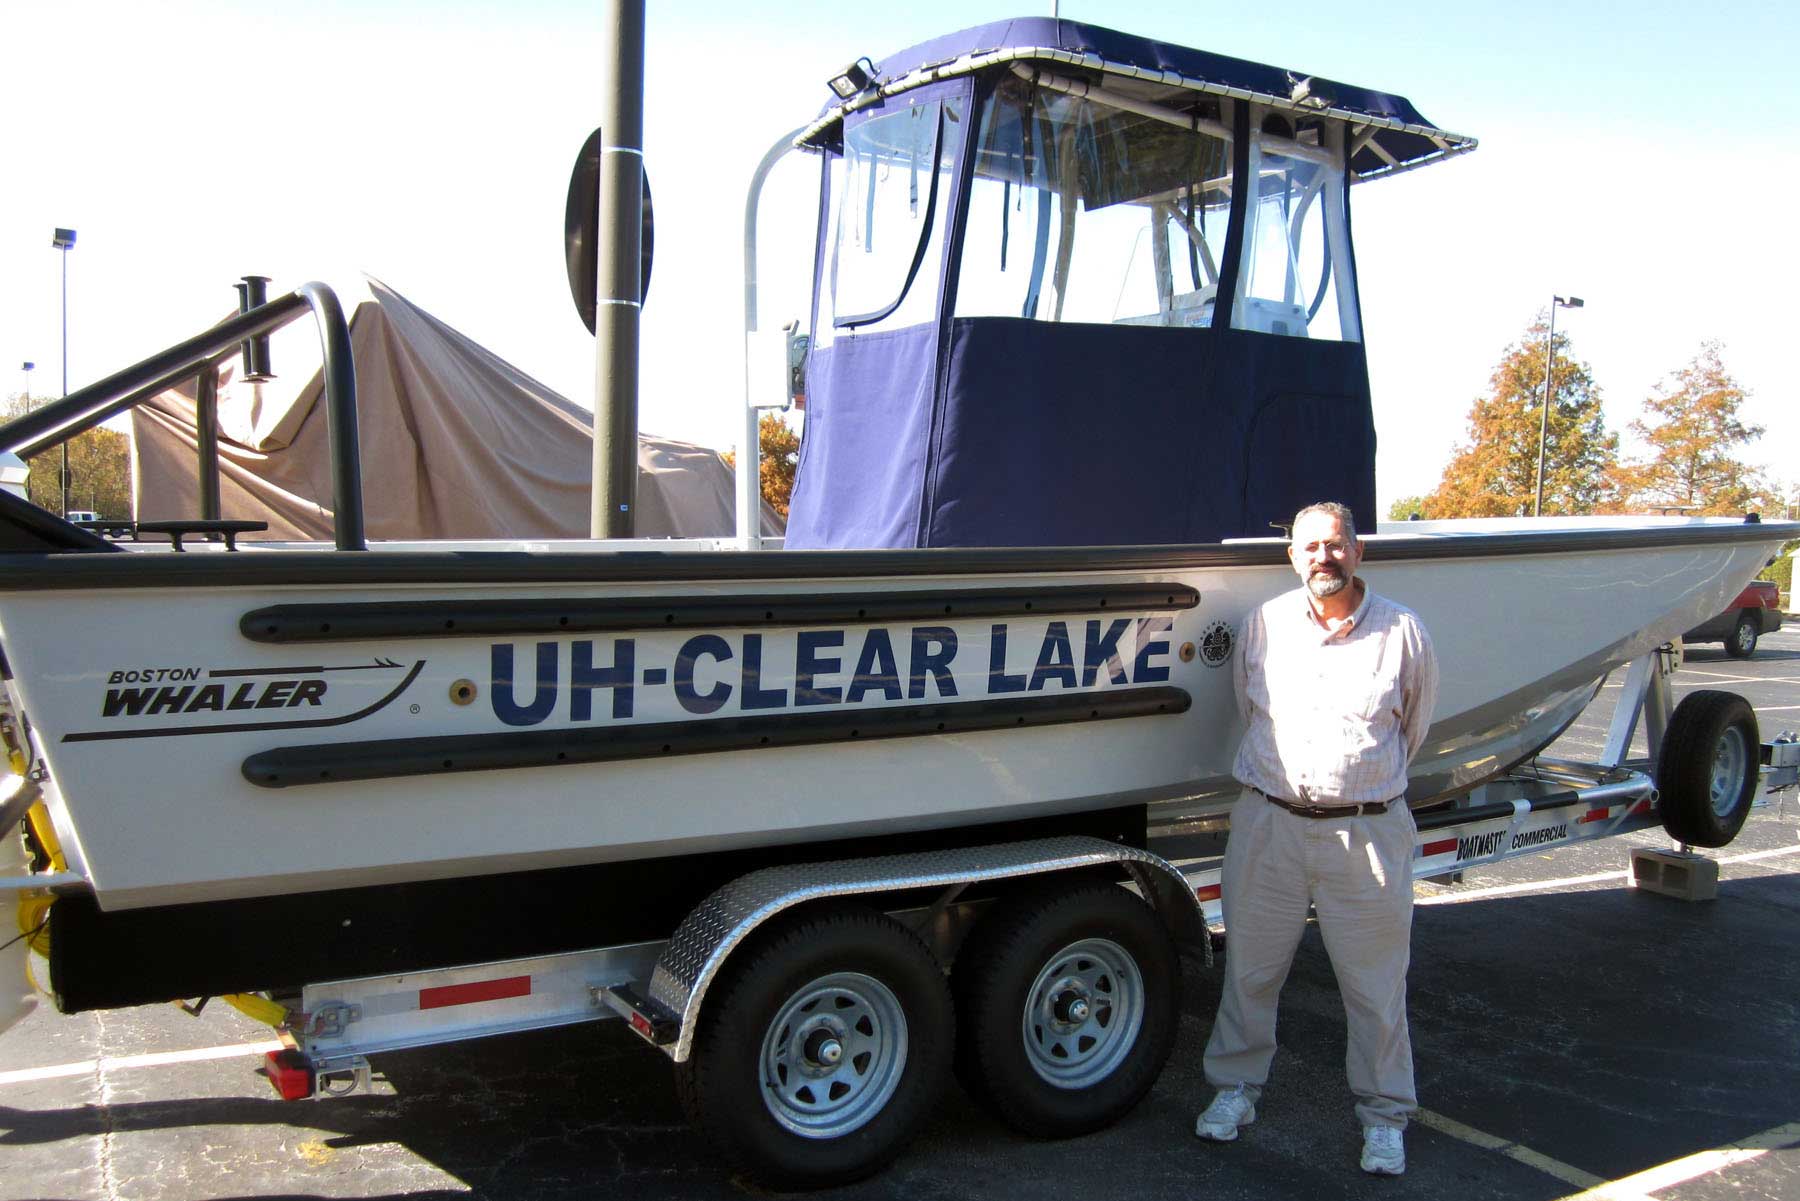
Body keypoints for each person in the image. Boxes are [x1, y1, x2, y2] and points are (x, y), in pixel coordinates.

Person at [1194, 501, 1438, 1176]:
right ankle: (1235, 1090)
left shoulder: (1402, 632)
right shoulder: (1265, 625)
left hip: (1366, 833)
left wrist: (1354, 786)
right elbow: (1252, 710)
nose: (1322, 558)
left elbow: (1411, 729)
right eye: (1309, 548)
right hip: (1269, 824)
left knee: (1375, 987)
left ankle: (1385, 1116)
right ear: (1292, 556)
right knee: (1250, 970)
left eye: (1335, 545)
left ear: (1358, 551)